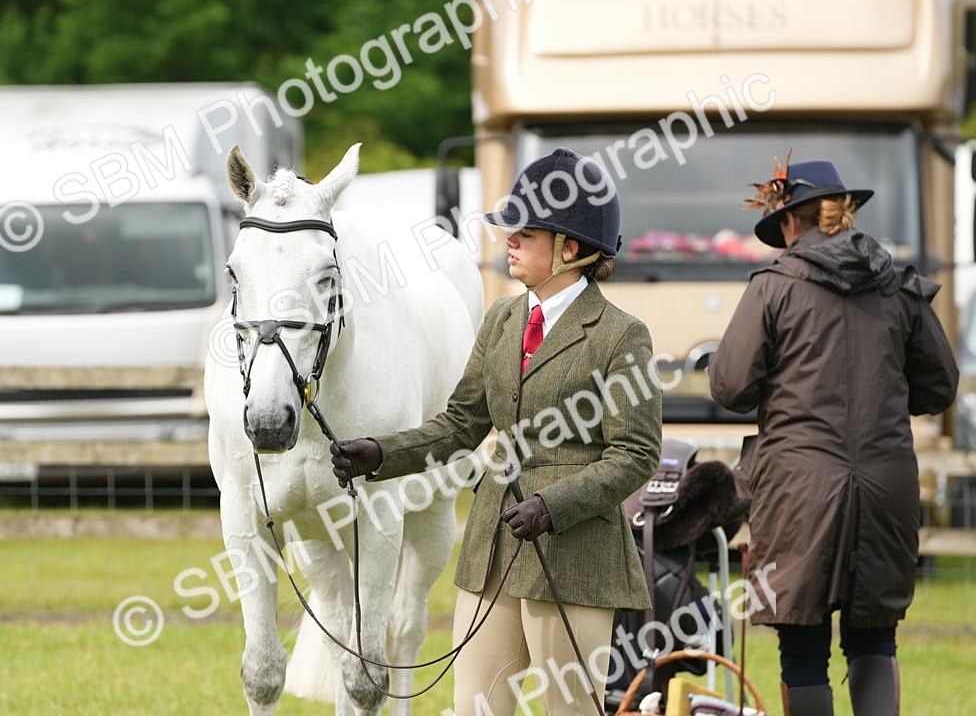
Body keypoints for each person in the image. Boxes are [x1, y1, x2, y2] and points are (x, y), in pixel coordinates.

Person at [331, 148, 662, 715]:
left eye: (523, 234)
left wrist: (553, 505)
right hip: (493, 545)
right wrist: (381, 454)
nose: (506, 241)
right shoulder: (503, 319)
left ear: (571, 249)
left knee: (568, 709)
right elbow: (460, 424)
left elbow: (634, 453)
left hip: (574, 553)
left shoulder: (620, 335)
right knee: (476, 708)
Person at [708, 158, 958, 716]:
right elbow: (940, 387)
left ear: (794, 222)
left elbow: (729, 386)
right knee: (874, 638)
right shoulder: (900, 286)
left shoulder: (773, 287)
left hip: (799, 488)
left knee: (802, 645)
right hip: (887, 484)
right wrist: (881, 403)